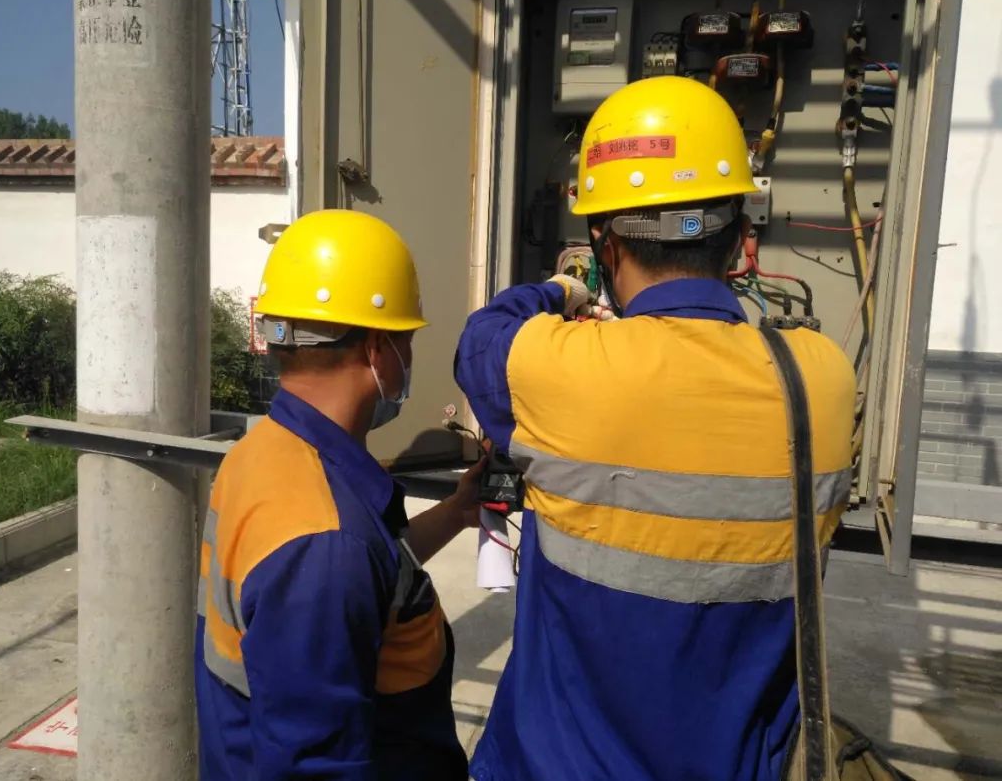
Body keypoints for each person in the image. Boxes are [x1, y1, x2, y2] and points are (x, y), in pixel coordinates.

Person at [455, 76, 855, 781]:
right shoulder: (820, 376)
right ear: (740, 236)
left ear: (605, 245)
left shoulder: (561, 367)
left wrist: (562, 289)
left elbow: (480, 338)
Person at [196, 209, 481, 780]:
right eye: (405, 340)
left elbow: (378, 573)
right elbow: (317, 765)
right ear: (378, 349)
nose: (408, 358)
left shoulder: (264, 451)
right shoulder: (326, 543)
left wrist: (457, 511)